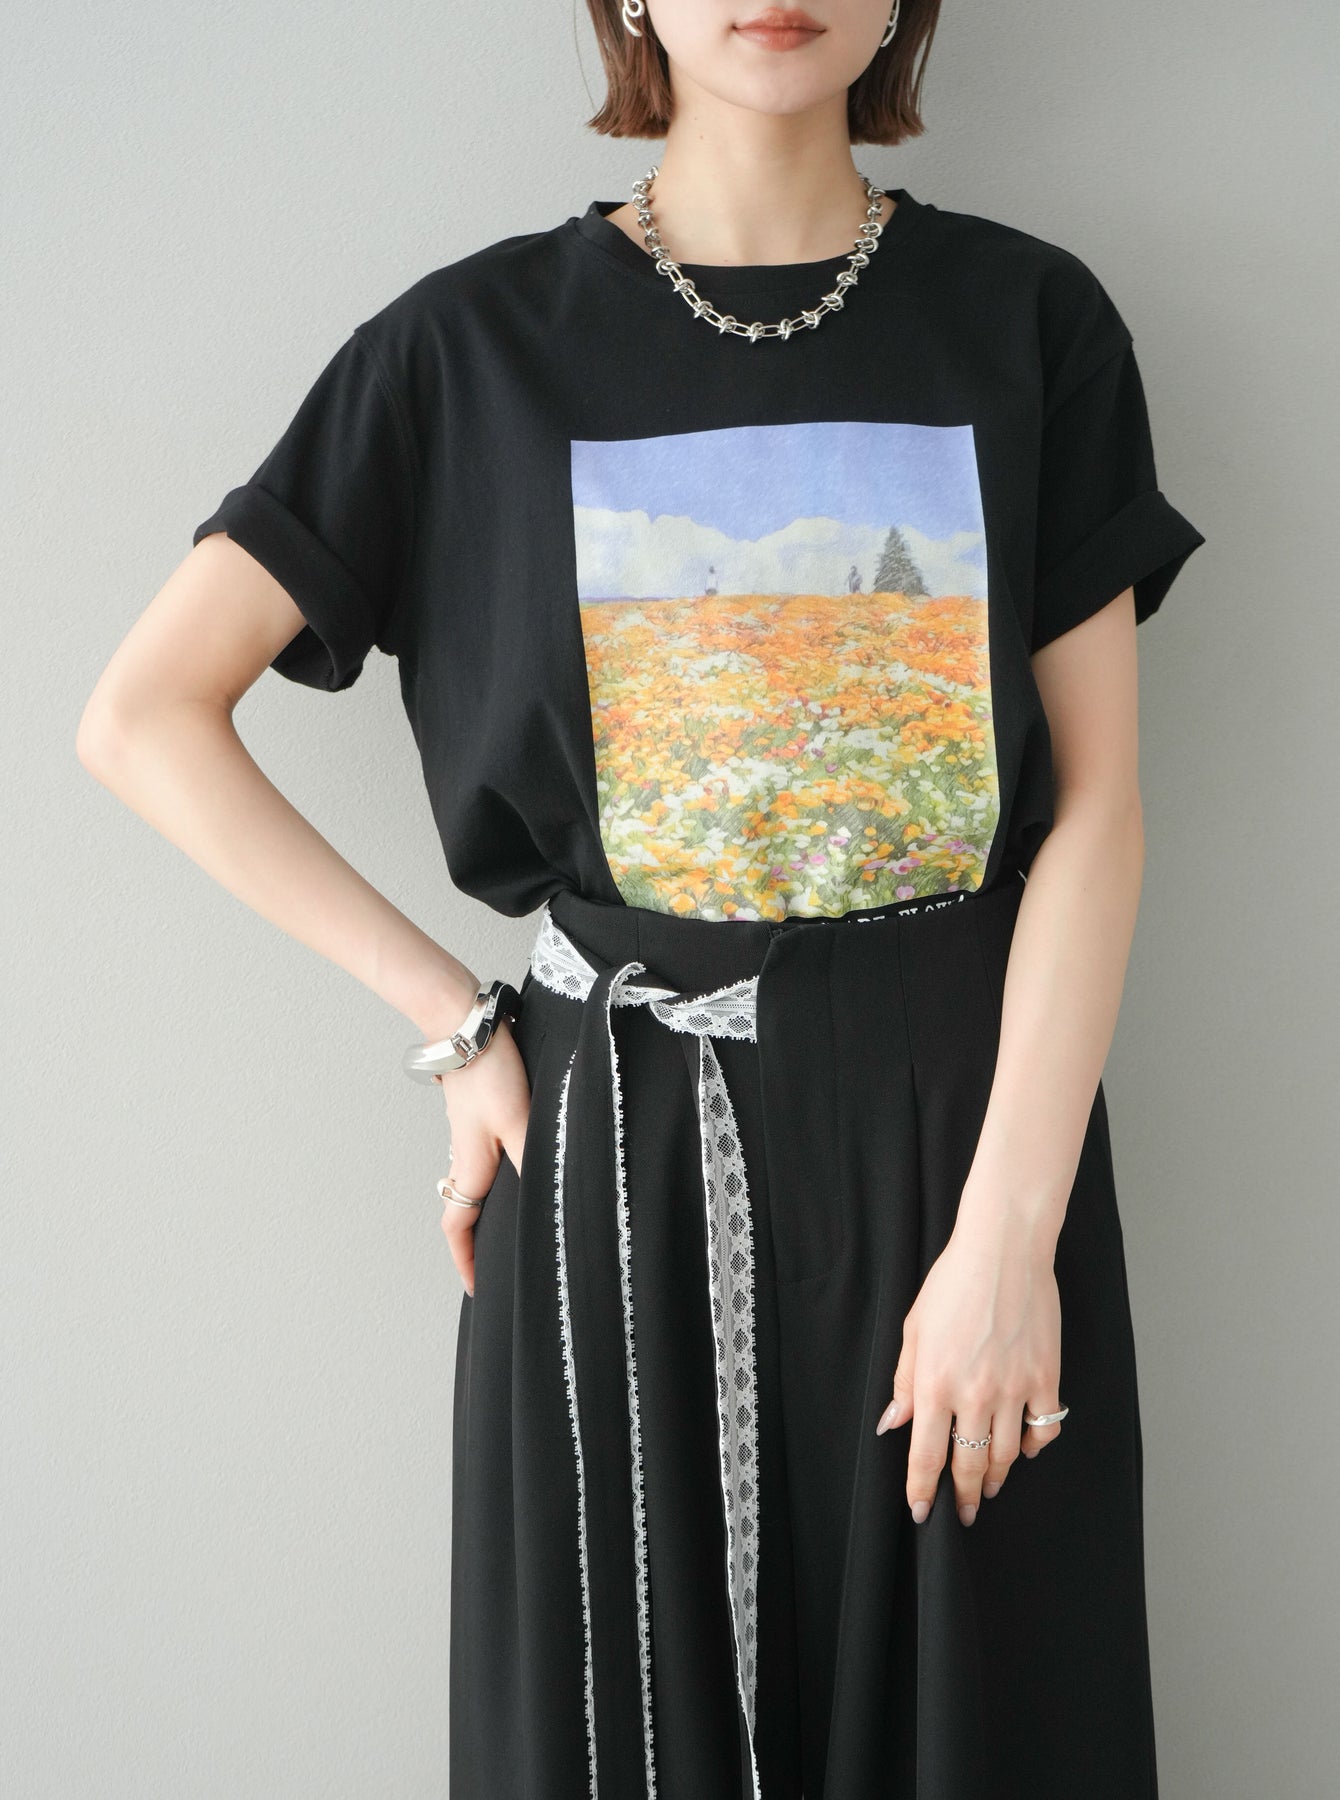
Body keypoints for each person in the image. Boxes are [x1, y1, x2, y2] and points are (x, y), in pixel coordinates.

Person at [76, 1, 1206, 1794]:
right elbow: (142, 718)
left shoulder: (1026, 319)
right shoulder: (462, 351)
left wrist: (1008, 1245)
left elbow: (1097, 814)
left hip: (966, 1129)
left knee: (985, 1720)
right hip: (615, 1133)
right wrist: (456, 1027)